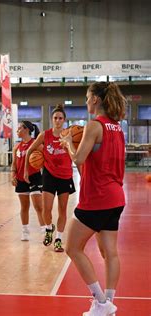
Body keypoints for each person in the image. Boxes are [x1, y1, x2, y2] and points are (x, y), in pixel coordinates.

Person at [60, 82, 126, 316]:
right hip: (117, 196)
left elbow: (78, 159)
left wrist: (69, 143)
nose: (86, 101)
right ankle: (108, 303)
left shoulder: (94, 126)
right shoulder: (116, 127)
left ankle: (100, 302)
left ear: (96, 99)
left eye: (88, 97)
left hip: (97, 197)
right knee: (110, 253)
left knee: (72, 248)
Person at [25, 104, 75, 252]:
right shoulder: (44, 135)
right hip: (48, 175)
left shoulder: (69, 135)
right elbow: (30, 150)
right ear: (52, 119)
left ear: (64, 120)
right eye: (55, 118)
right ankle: (48, 229)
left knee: (62, 210)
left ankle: (58, 239)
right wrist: (26, 171)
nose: (58, 120)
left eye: (60, 118)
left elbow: (77, 154)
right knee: (46, 209)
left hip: (65, 175)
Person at [11, 121, 46, 241]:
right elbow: (14, 164)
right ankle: (25, 231)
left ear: (26, 129)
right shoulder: (17, 146)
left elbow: (46, 159)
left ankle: (45, 230)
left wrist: (41, 164)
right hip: (21, 179)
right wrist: (12, 175)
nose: (17, 130)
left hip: (35, 177)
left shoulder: (36, 144)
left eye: (19, 128)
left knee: (38, 206)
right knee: (24, 206)